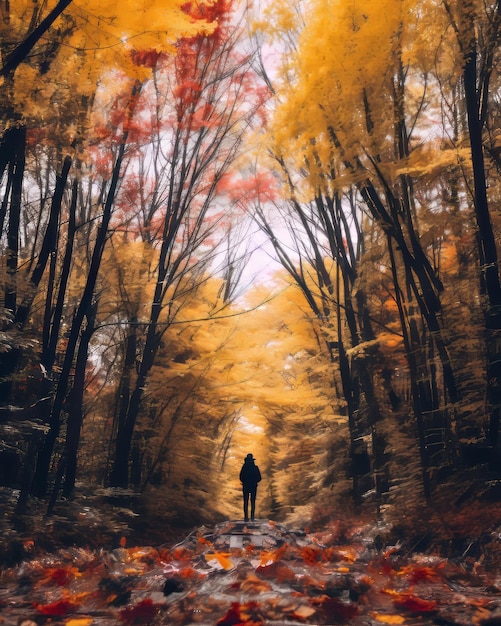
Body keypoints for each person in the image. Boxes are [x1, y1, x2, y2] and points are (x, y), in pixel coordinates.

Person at [239, 453, 262, 522]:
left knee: (245, 502)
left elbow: (241, 477)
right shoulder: (255, 467)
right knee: (252, 502)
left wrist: (245, 482)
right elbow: (259, 478)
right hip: (253, 486)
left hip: (246, 486)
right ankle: (252, 517)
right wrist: (254, 481)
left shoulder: (244, 467)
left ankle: (246, 517)